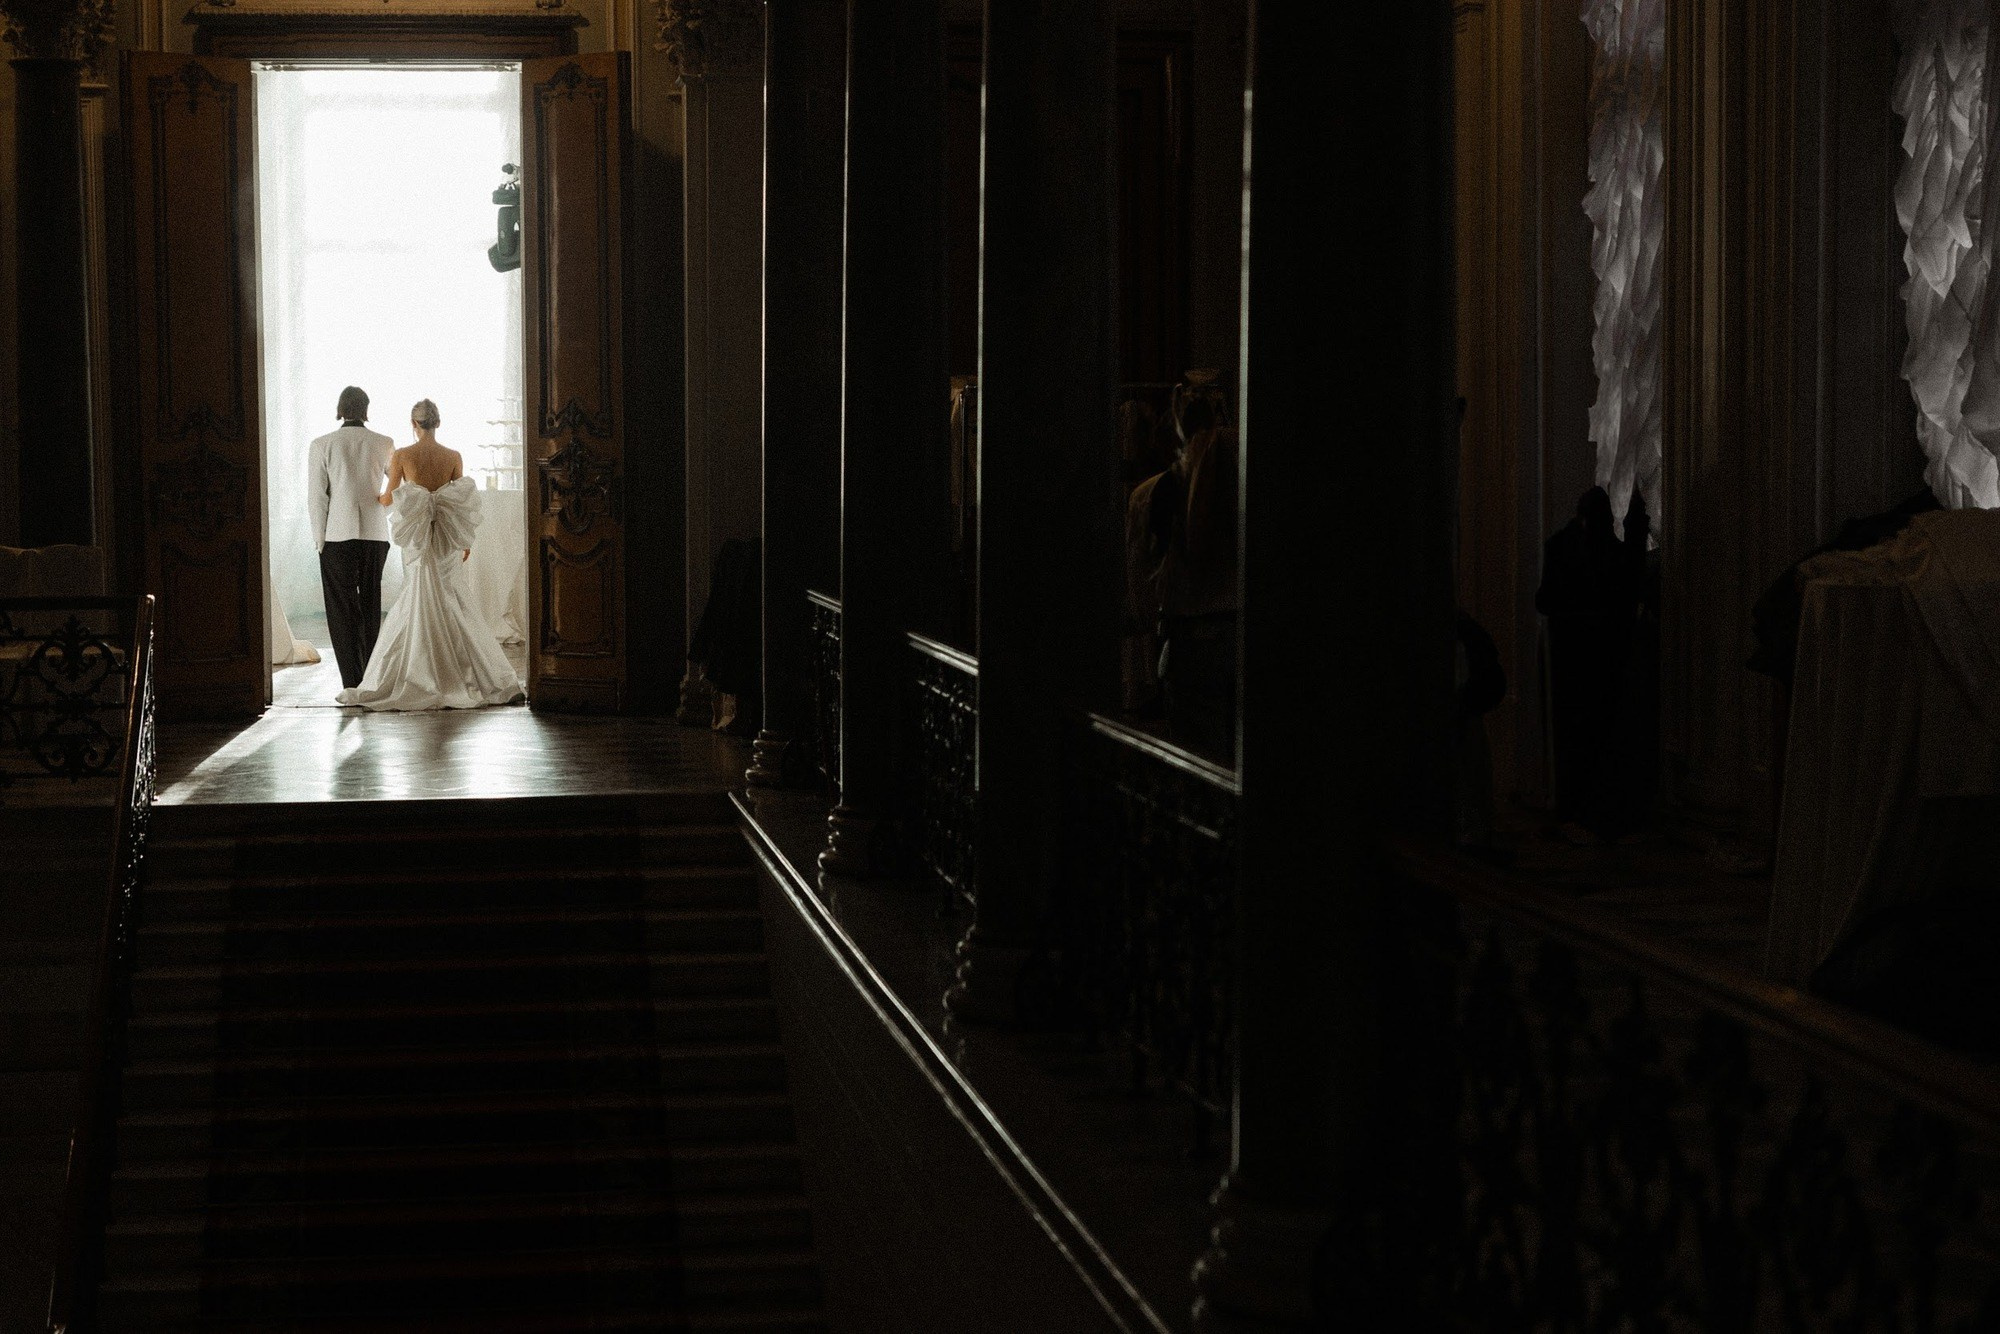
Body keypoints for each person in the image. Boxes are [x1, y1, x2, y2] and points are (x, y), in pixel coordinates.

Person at [336, 399, 524, 710]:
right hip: (447, 539)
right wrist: (464, 541)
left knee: (416, 596)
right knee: (452, 597)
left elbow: (389, 498)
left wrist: (372, 496)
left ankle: (419, 672)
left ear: (414, 424)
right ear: (437, 423)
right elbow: (460, 502)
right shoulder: (453, 456)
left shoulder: (402, 455)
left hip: (418, 539)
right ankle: (467, 673)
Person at [308, 386, 395, 689]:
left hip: (336, 535)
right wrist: (383, 510)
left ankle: (351, 680)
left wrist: (319, 539)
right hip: (375, 534)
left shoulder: (322, 444)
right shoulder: (384, 443)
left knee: (340, 609)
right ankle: (370, 676)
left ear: (340, 409)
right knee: (371, 603)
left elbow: (317, 498)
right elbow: (398, 487)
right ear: (365, 409)